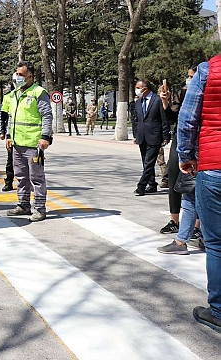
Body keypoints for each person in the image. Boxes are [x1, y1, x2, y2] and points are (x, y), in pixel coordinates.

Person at [177, 57, 221, 333]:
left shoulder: (208, 70)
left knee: (216, 242)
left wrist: (186, 154)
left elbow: (188, 119)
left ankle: (218, 311)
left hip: (214, 166)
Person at [5, 61, 53, 222]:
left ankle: (39, 208)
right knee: (21, 176)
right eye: (17, 73)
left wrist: (45, 137)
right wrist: (8, 136)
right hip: (17, 143)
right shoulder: (16, 93)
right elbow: (12, 117)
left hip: (34, 144)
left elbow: (47, 116)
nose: (17, 77)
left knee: (36, 178)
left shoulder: (39, 93)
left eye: (20, 75)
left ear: (30, 76)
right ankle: (23, 204)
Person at [160, 67, 198, 235]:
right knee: (174, 176)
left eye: (192, 77)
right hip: (180, 138)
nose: (188, 80)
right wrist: (166, 102)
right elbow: (171, 118)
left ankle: (197, 227)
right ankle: (174, 220)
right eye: (188, 77)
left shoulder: (207, 92)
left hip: (199, 139)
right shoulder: (181, 92)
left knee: (196, 183)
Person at [132, 79, 170, 196]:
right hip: (142, 136)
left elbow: (164, 119)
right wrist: (135, 135)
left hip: (154, 136)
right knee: (145, 162)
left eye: (138, 87)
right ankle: (152, 184)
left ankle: (141, 186)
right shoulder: (138, 102)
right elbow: (136, 120)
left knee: (149, 162)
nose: (137, 90)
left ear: (145, 88)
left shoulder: (157, 100)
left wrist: (166, 135)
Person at [0, 81, 16, 192]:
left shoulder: (32, 94)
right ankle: (9, 182)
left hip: (29, 136)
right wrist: (2, 131)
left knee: (31, 162)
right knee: (11, 161)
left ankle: (30, 183)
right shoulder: (8, 96)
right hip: (12, 134)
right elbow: (3, 116)